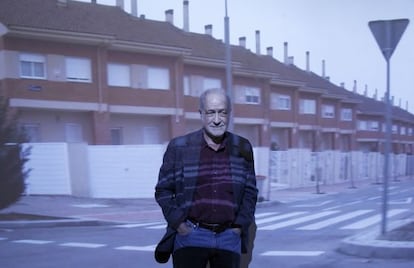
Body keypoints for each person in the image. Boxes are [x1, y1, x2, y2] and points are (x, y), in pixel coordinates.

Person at [154, 88, 258, 268]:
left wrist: (238, 227)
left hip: (229, 237)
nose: (217, 120)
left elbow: (250, 191)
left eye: (222, 112)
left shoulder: (243, 147)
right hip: (191, 236)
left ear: (229, 114)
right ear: (201, 114)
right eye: (211, 112)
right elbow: (163, 190)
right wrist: (180, 225)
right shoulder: (179, 147)